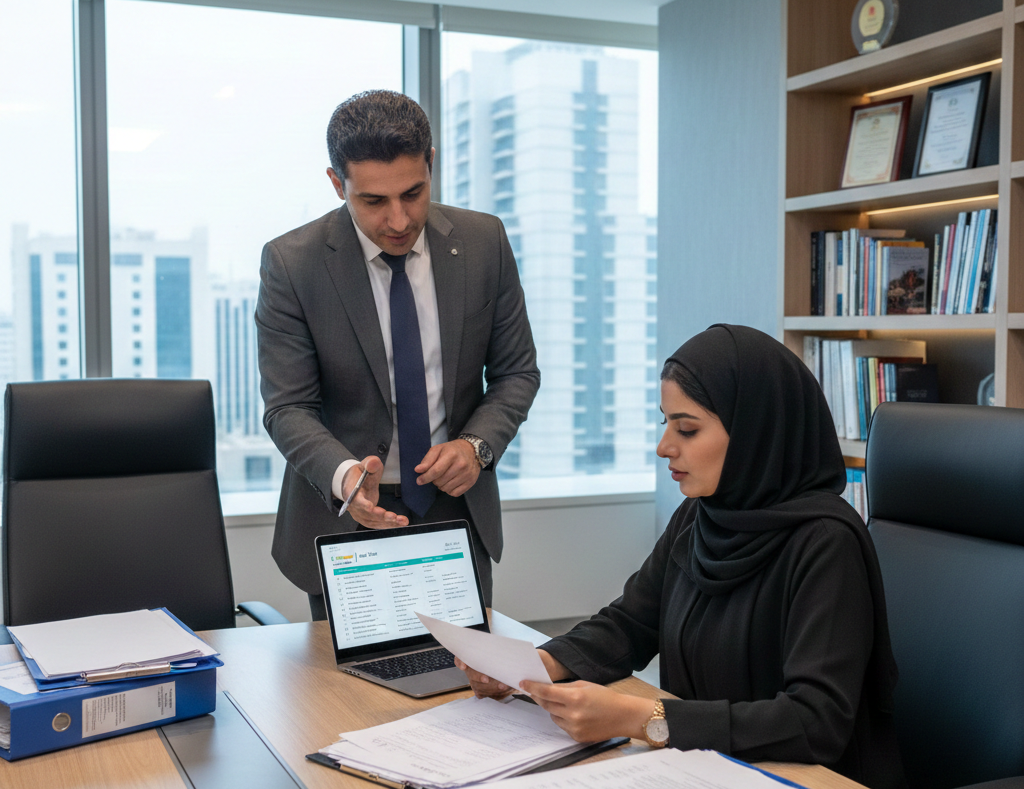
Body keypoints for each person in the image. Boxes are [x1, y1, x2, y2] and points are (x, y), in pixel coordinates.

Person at [457, 325, 905, 788]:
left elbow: (816, 722)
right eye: (666, 423)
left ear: (754, 431)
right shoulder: (700, 515)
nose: (664, 446)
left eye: (687, 429)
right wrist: (536, 668)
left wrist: (643, 717)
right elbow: (630, 624)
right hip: (704, 768)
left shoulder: (827, 543)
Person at [256, 90, 539, 616]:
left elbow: (517, 372)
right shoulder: (292, 264)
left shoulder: (483, 243)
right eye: (374, 201)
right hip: (346, 516)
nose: (400, 219)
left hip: (455, 507)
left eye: (413, 193)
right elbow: (287, 407)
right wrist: (345, 476)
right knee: (352, 696)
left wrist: (475, 445)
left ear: (430, 164)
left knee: (466, 684)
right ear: (338, 184)